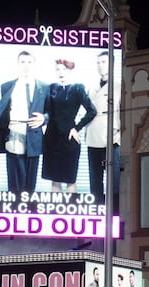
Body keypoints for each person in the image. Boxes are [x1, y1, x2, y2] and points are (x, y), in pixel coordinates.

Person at [42, 58, 97, 193]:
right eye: (58, 70)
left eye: (64, 69)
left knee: (70, 178)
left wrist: (76, 128)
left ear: (70, 70)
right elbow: (45, 111)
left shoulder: (77, 88)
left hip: (69, 137)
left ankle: (71, 204)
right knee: (54, 179)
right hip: (51, 137)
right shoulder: (51, 88)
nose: (61, 72)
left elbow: (92, 111)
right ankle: (55, 206)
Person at [0, 50, 49, 193]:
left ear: (34, 64)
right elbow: (0, 112)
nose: (26, 65)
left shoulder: (44, 87)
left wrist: (44, 118)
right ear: (17, 64)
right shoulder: (6, 86)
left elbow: (51, 112)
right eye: (22, 62)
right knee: (14, 183)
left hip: (34, 138)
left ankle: (29, 205)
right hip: (13, 135)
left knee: (30, 184)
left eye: (29, 62)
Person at [85, 50, 120, 210]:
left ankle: (114, 212)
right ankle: (97, 210)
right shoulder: (90, 87)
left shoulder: (118, 86)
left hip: (111, 138)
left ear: (112, 64)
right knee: (95, 180)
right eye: (98, 62)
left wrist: (117, 131)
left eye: (104, 62)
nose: (100, 65)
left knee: (114, 180)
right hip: (93, 137)